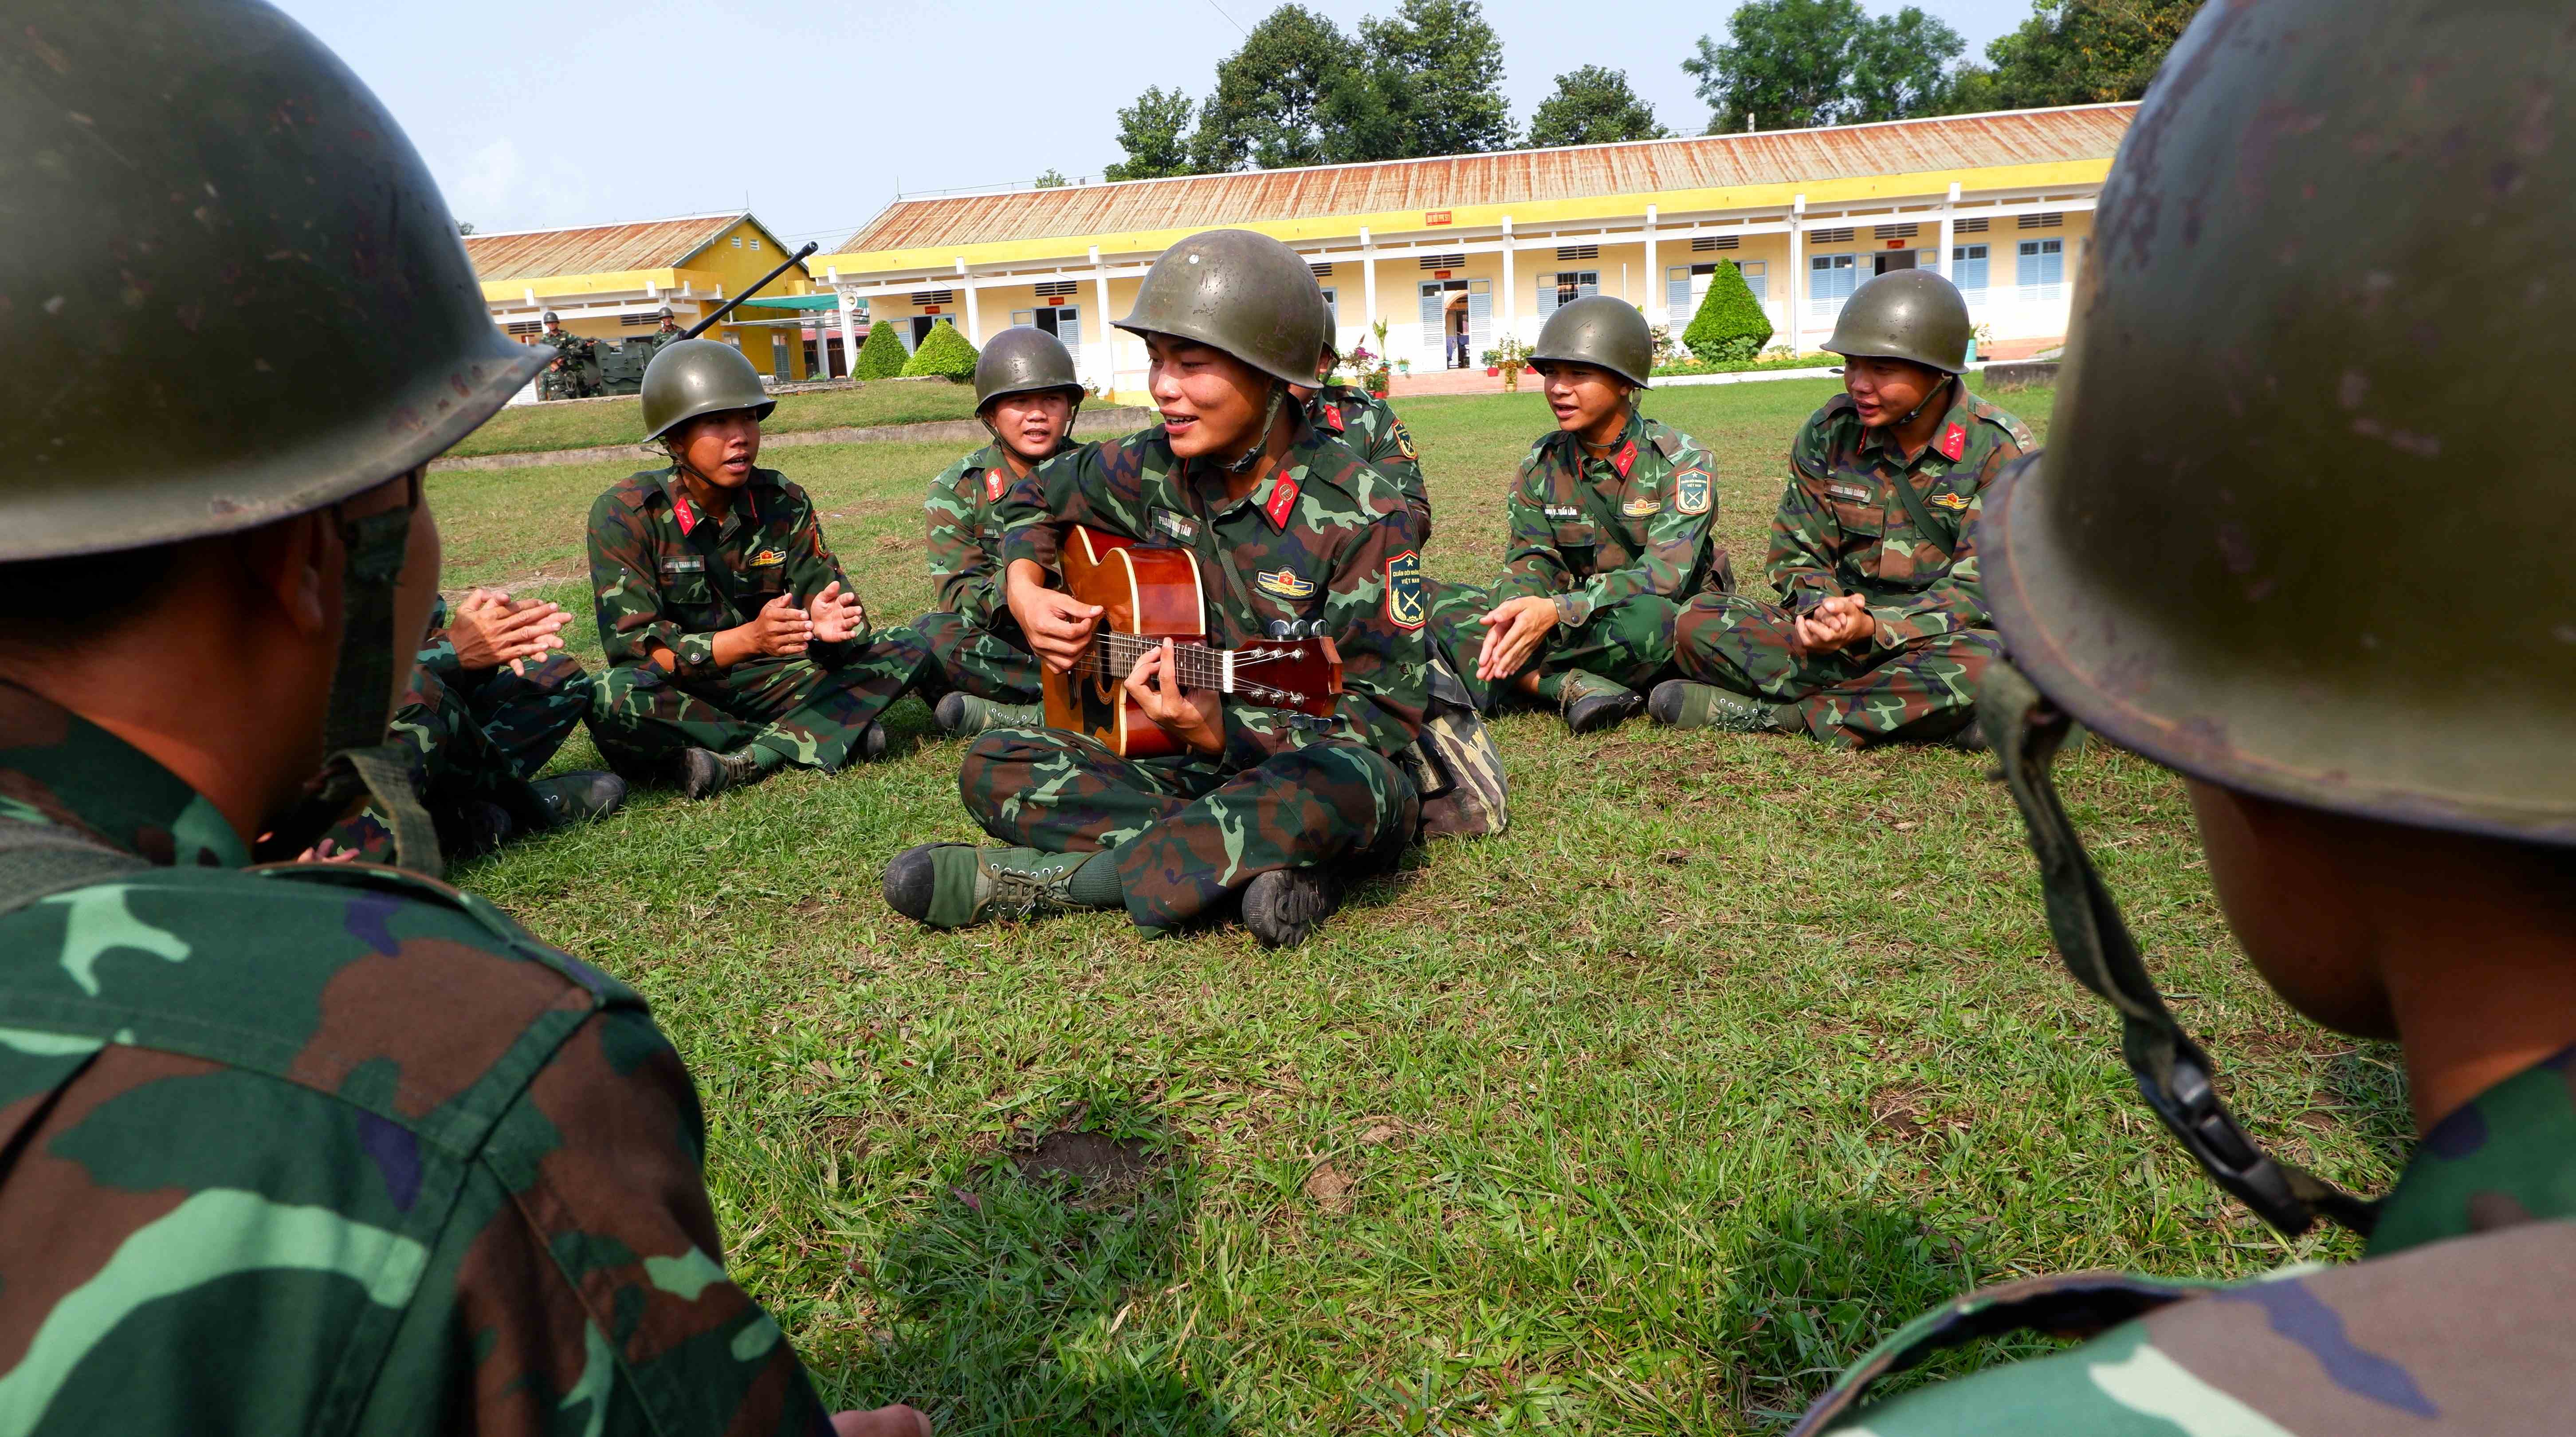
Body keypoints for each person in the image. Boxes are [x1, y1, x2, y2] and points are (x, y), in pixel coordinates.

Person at [0, 4, 927, 1432]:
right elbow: (644, 653)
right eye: (414, 483)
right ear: (311, 555)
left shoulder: (785, 504)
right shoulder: (435, 1066)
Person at [1791, 2, 2576, 1429]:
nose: (1862, 384)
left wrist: (1882, 629)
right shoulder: (1816, 447)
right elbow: (1783, 559)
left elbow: (1966, 598)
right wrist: (1803, 615)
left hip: (1915, 646)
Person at [881, 228, 1427, 949]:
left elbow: (1380, 722)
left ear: (1269, 372)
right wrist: (1023, 587)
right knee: (994, 764)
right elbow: (1032, 498)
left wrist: (1218, 729)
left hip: (1302, 766)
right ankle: (1254, 864)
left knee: (1354, 784)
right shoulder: (1149, 465)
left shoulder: (1367, 515)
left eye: (1191, 364)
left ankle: (1065, 883)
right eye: (1157, 360)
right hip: (1173, 759)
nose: (1162, 387)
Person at [1649, 269, 2027, 748]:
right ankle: (1919, 715)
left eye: (1882, 369)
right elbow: (1796, 554)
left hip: (1939, 641)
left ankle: (1782, 718)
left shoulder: (1998, 449)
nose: (1859, 384)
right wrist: (1821, 610)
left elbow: (1980, 592)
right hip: (1837, 643)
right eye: (1851, 364)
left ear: (1938, 371)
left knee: (1996, 661)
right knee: (1696, 619)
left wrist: (1876, 627)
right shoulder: (1830, 432)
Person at [586, 339, 928, 799]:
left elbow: (840, 611)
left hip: (772, 680)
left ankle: (752, 756)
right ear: (674, 440)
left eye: (748, 417)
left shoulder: (782, 501)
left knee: (907, 646)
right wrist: (747, 640)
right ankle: (824, 732)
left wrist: (831, 631)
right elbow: (641, 655)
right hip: (686, 692)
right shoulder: (625, 514)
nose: (740, 435)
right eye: (717, 421)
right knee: (610, 695)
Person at [1422, 296, 1729, 734]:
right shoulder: (1541, 463)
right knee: (1424, 598)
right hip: (1577, 619)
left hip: (1648, 616)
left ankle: (1515, 676)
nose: (1558, 388)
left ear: (1625, 382)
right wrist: (1515, 612)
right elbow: (1531, 560)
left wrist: (1559, 610)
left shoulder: (1683, 463)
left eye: (1578, 374)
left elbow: (1665, 577)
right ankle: (1568, 682)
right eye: (1551, 373)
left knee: (1654, 622)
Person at [324, 588, 626, 866]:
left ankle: (462, 813)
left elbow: (420, 660)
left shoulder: (375, 566)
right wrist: (451, 650)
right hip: (326, 771)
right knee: (415, 692)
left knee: (559, 678)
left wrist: (482, 653)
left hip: (403, 736)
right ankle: (519, 812)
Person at [916, 327, 1087, 738]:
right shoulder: (957, 490)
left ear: (1069, 407)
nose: (1037, 414)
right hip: (1015, 643)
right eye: (1019, 401)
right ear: (991, 415)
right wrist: (1023, 583)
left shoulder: (1094, 471)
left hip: (1093, 634)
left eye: (1051, 399)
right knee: (930, 637)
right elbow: (960, 598)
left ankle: (1019, 713)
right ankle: (1064, 706)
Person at [1295, 291, 1432, 546]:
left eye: (1284, 350)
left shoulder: (1367, 418)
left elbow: (1413, 520)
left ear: (1322, 360)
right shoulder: (1220, 423)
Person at [537, 310, 596, 400]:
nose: (551, 325)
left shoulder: (565, 335)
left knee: (580, 385)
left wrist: (584, 344)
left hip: (568, 365)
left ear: (557, 323)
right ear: (547, 325)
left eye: (553, 323)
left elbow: (578, 340)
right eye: (549, 323)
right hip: (555, 367)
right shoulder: (544, 339)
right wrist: (551, 364)